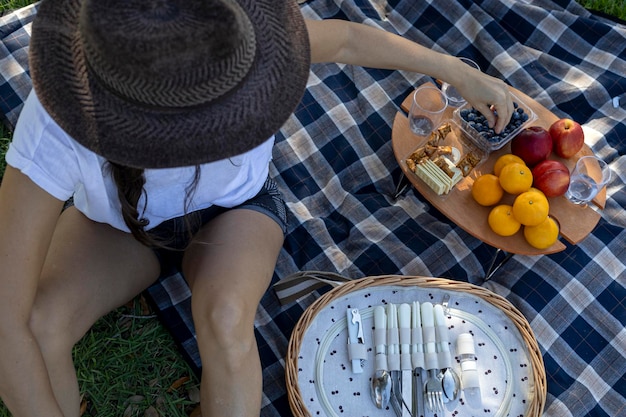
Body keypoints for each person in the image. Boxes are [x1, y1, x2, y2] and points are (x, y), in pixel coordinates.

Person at [0, 0, 513, 416]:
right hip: (120, 227)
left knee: (225, 318)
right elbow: (6, 317)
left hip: (236, 210)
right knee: (42, 324)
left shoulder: (245, 44)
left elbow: (349, 38)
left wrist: (453, 71)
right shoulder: (56, 122)